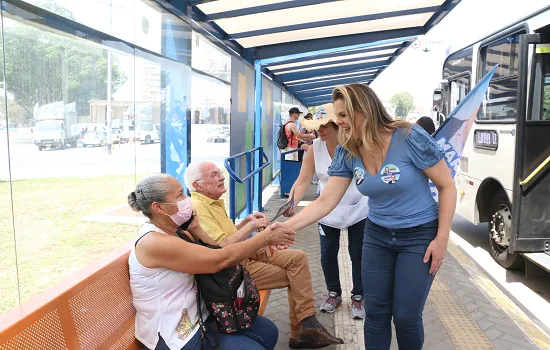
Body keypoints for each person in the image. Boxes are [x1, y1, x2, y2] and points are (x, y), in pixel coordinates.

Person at [281, 84, 456, 350]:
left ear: (363, 110)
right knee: (376, 313)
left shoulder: (409, 136)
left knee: (406, 316)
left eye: (342, 115)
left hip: (419, 235)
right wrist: (284, 228)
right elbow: (326, 200)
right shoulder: (348, 149)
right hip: (377, 235)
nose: (338, 122)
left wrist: (441, 238)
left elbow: (447, 186)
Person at [185, 162, 344, 349]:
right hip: (234, 268)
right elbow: (222, 249)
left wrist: (245, 222)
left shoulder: (212, 201)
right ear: (197, 185)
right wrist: (258, 232)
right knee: (296, 276)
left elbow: (225, 236)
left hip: (245, 253)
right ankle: (301, 330)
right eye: (214, 175)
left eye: (220, 172)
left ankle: (306, 326)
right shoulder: (199, 207)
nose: (221, 177)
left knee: (298, 257)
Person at [128, 174, 296, 350]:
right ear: (158, 207)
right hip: (175, 333)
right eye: (179, 196)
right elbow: (220, 260)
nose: (187, 200)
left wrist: (197, 229)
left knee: (268, 331)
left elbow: (216, 251)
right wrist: (265, 238)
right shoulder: (154, 242)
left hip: (202, 315)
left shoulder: (179, 233)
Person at [284, 109, 369, 320]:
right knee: (328, 254)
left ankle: (359, 296)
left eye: (324, 126)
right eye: (317, 127)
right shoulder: (315, 149)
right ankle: (334, 294)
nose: (319, 131)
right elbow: (303, 180)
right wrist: (291, 202)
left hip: (359, 209)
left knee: (358, 254)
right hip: (326, 210)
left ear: (339, 126)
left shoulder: (357, 147)